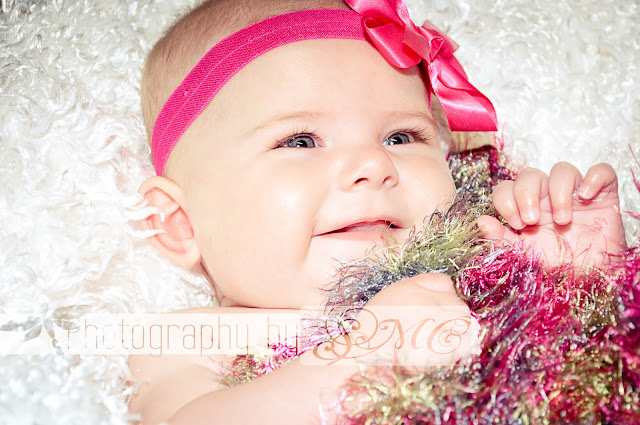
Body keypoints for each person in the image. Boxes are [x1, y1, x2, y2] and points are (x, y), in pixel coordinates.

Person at [127, 0, 627, 423]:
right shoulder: (192, 341)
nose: (374, 163)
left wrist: (574, 285)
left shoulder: (469, 282)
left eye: (400, 137)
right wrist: (362, 354)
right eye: (300, 141)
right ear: (180, 224)